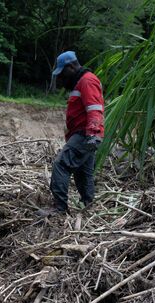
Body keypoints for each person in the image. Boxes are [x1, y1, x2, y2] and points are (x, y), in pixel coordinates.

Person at [49, 51, 105, 214]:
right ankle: (86, 204)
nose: (61, 78)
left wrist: (93, 133)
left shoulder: (87, 81)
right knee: (83, 172)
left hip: (85, 134)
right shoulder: (81, 82)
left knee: (61, 165)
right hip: (85, 135)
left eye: (62, 73)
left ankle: (59, 207)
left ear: (72, 66)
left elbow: (95, 108)